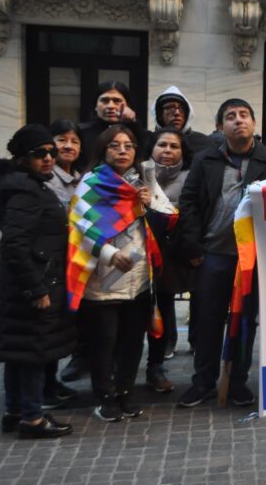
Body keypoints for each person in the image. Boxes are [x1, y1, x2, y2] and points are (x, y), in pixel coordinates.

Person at [178, 99, 266, 407]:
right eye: (230, 117)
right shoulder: (205, 160)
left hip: (255, 260)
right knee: (207, 320)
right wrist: (194, 248)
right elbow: (188, 204)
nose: (238, 121)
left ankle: (238, 382)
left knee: (245, 322)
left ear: (255, 124)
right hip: (212, 255)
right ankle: (203, 382)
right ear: (219, 127)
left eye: (244, 115)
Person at [0, 125, 75, 438]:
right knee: (32, 353)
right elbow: (15, 244)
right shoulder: (25, 189)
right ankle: (32, 419)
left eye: (50, 152)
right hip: (32, 284)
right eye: (38, 153)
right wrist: (36, 289)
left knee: (18, 353)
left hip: (24, 283)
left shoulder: (25, 185)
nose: (48, 158)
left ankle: (14, 412)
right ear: (21, 157)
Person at [69, 125, 164, 422]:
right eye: (115, 145)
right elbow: (79, 224)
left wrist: (150, 205)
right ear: (103, 149)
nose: (123, 150)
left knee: (133, 340)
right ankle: (104, 396)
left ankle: (126, 391)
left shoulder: (142, 181)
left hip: (138, 277)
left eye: (129, 145)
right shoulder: (92, 182)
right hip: (104, 279)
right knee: (104, 343)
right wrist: (110, 254)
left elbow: (169, 215)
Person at [143, 127, 193, 394]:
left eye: (174, 146)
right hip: (135, 258)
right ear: (152, 148)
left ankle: (156, 365)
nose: (168, 151)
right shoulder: (136, 175)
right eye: (162, 145)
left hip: (168, 258)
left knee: (160, 311)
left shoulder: (190, 178)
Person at [42, 119, 84, 402]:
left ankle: (50, 383)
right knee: (45, 329)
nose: (68, 146)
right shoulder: (46, 177)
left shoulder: (80, 178)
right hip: (50, 264)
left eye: (74, 141)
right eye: (62, 139)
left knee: (58, 328)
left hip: (71, 263)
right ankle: (42, 388)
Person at [77, 81, 146, 170]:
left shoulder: (138, 132)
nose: (110, 106)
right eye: (105, 100)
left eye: (117, 101)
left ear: (128, 105)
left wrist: (134, 124)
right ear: (96, 106)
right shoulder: (81, 132)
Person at [151, 85, 217, 161]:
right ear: (159, 115)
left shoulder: (204, 143)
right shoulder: (149, 142)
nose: (177, 112)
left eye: (181, 108)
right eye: (170, 108)